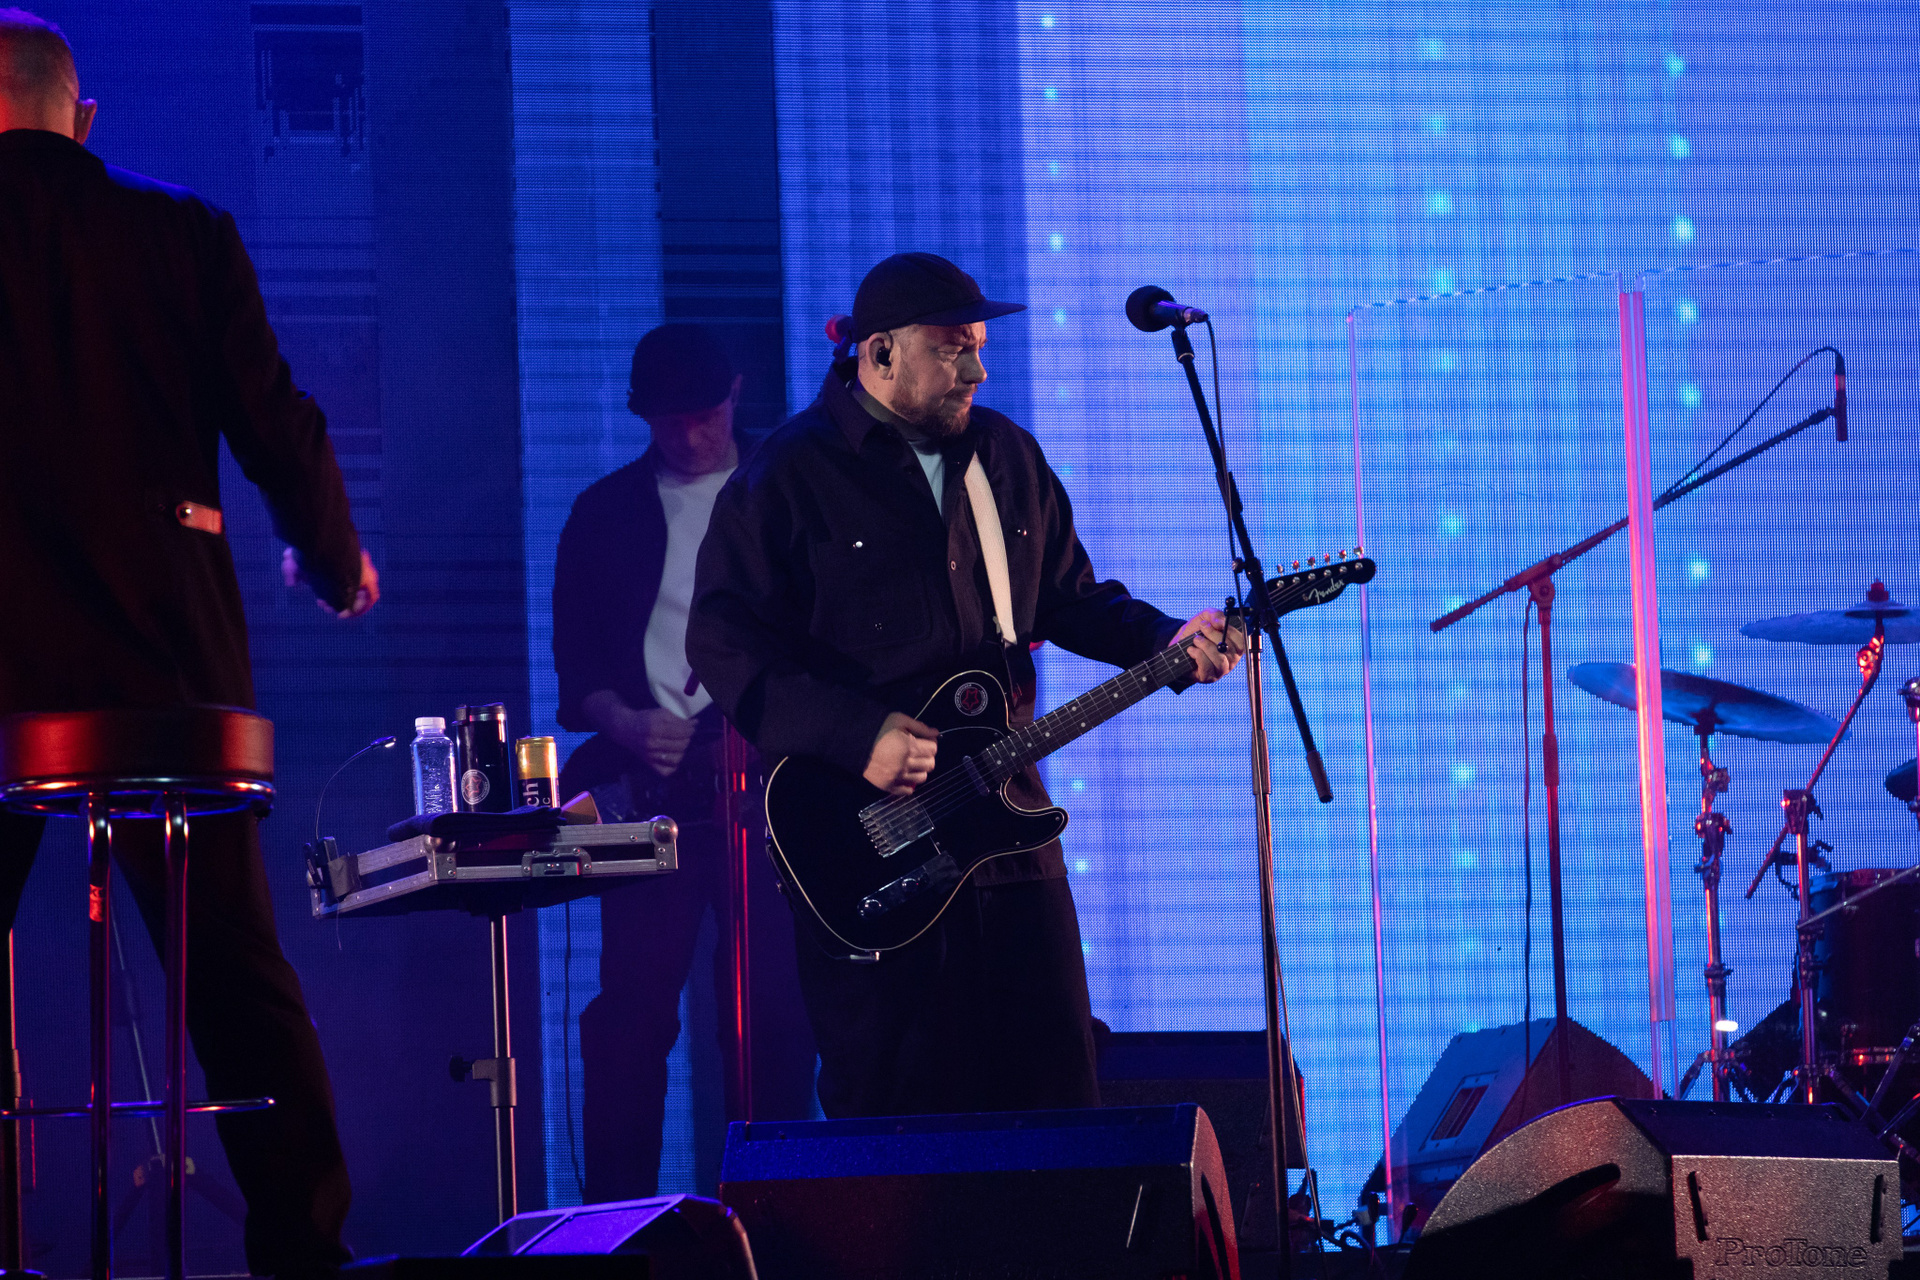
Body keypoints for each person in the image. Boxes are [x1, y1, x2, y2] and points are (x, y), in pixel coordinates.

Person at [686, 252, 1243, 1119]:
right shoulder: (788, 476)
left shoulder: (1006, 455)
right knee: (901, 1120)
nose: (978, 370)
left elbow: (1069, 598)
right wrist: (855, 735)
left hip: (1009, 835)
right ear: (880, 353)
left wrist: (1163, 639)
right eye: (954, 350)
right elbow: (723, 644)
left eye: (979, 347)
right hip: (870, 850)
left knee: (1056, 1098)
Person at [0, 9, 377, 1274]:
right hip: (162, 672)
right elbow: (276, 420)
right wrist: (335, 558)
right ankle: (303, 1246)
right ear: (83, 117)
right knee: (233, 971)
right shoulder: (184, 231)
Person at [552, 323, 815, 1200]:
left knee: (776, 1015)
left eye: (705, 417)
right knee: (631, 1016)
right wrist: (626, 722)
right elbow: (577, 668)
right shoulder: (603, 513)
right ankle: (624, 1222)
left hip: (768, 790)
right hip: (653, 787)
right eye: (671, 422)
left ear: (735, 395)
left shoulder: (788, 490)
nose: (691, 437)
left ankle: (779, 1217)